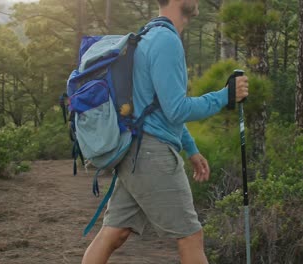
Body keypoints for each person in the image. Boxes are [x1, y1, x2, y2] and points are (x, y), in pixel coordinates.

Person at [81, 0, 249, 263]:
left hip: (135, 150)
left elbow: (156, 107)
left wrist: (190, 148)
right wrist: (225, 96)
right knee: (190, 237)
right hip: (151, 154)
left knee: (114, 233)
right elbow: (177, 110)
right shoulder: (166, 41)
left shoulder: (147, 35)